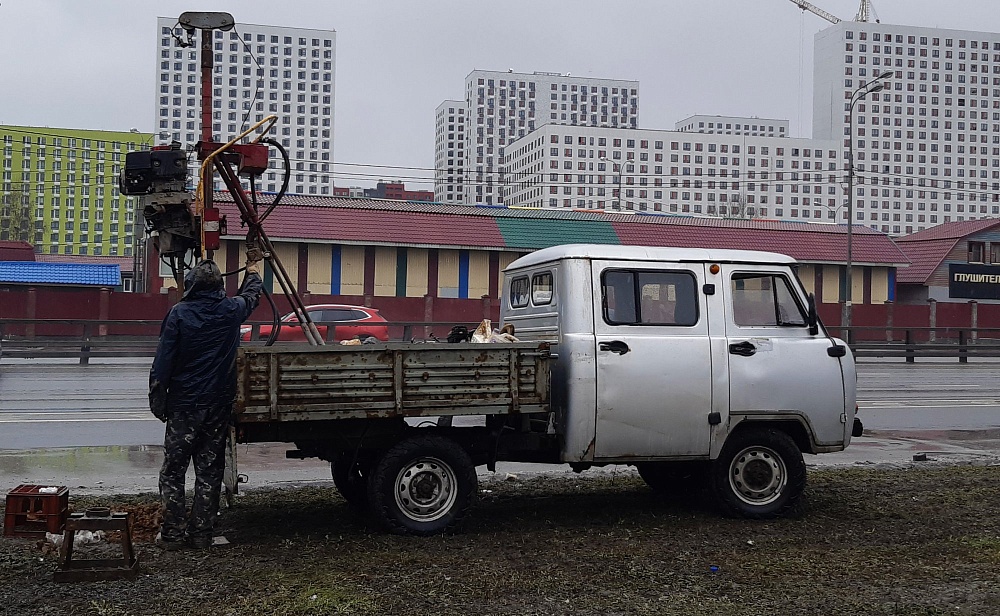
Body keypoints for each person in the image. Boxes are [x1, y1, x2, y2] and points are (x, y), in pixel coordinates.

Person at [149, 250, 263, 550]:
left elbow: (163, 363)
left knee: (174, 470)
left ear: (191, 284)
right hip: (217, 405)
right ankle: (202, 534)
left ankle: (173, 534)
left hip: (184, 406)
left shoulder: (179, 314)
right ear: (218, 287)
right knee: (209, 470)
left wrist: (158, 399)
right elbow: (251, 297)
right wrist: (252, 270)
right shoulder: (230, 310)